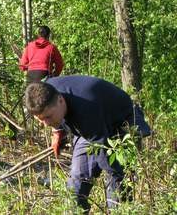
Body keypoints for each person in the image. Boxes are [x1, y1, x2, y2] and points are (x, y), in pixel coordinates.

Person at [24, 75, 152, 212]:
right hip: (91, 126)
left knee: (117, 184)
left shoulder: (86, 109)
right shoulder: (44, 90)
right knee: (75, 189)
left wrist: (118, 177)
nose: (46, 124)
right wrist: (57, 131)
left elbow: (103, 151)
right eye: (40, 119)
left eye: (48, 117)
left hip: (123, 122)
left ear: (60, 100)